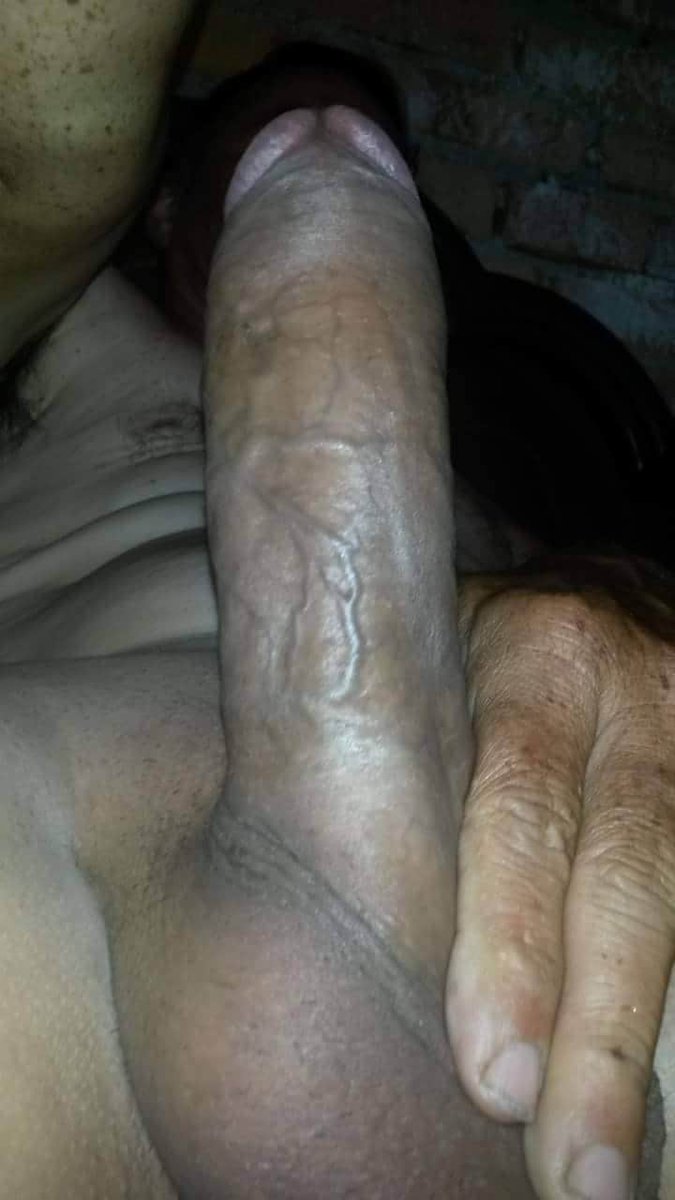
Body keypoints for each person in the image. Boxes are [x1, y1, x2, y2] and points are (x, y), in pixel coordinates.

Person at [0, 4, 674, 1198]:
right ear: (160, 206)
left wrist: (616, 603)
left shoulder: (497, 447)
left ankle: (358, 854)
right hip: (75, 720)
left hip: (502, 817)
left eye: (380, 164)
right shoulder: (57, 321)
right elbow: (52, 135)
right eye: (265, 149)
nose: (324, 148)